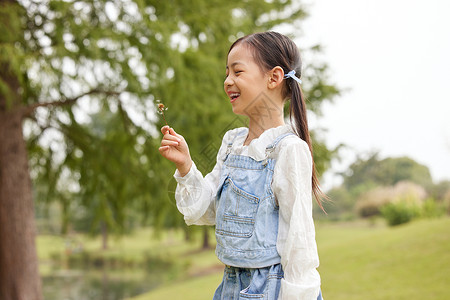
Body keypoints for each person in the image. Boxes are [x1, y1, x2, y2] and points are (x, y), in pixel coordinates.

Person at [159, 31, 324, 300]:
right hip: (230, 286)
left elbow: (299, 242)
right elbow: (208, 210)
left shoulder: (288, 149)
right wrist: (186, 167)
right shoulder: (232, 141)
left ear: (274, 77)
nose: (227, 81)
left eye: (237, 72)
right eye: (227, 73)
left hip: (269, 289)